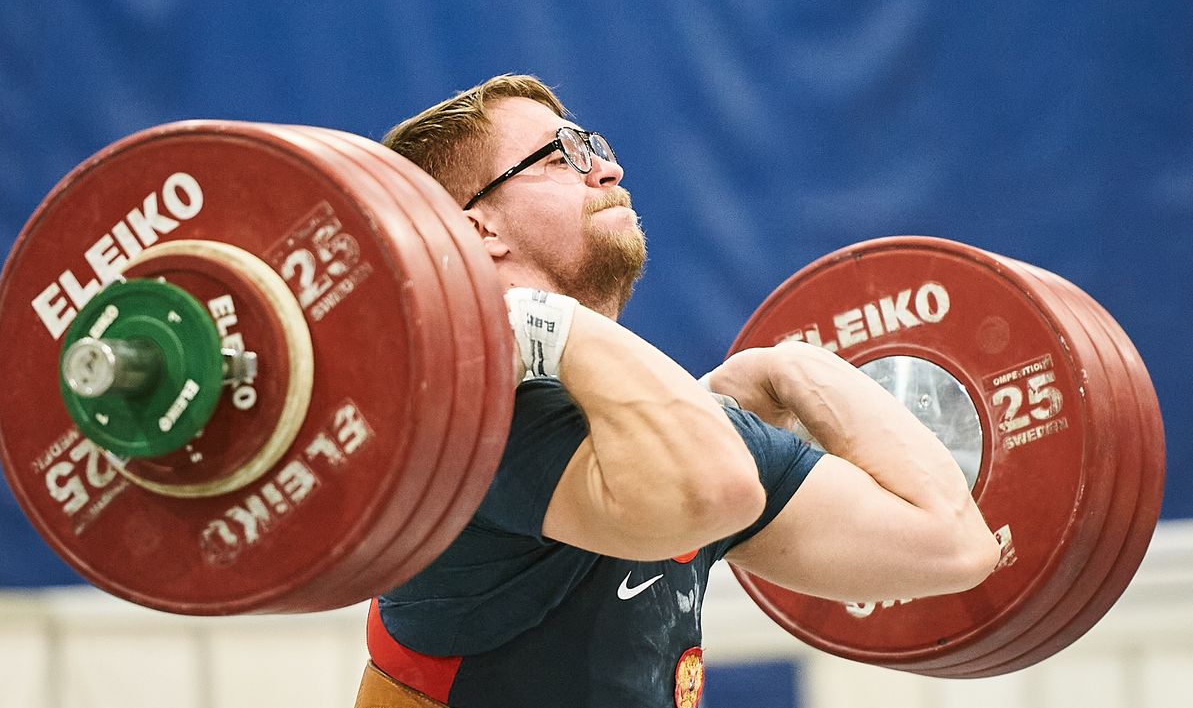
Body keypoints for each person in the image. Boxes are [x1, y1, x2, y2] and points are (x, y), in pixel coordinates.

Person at [352, 74, 1000, 708]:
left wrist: (795, 369)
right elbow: (715, 487)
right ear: (479, 230)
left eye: (594, 147)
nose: (606, 170)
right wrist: (542, 319)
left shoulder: (684, 439)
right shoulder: (475, 424)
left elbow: (955, 544)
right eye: (560, 156)